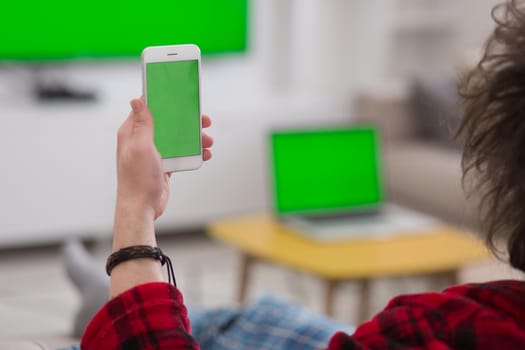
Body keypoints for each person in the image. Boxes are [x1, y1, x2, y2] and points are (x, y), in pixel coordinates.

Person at [80, 0, 525, 348]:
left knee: (252, 320)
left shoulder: (444, 328)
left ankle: (98, 306)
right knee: (252, 316)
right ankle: (103, 303)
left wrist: (134, 210)